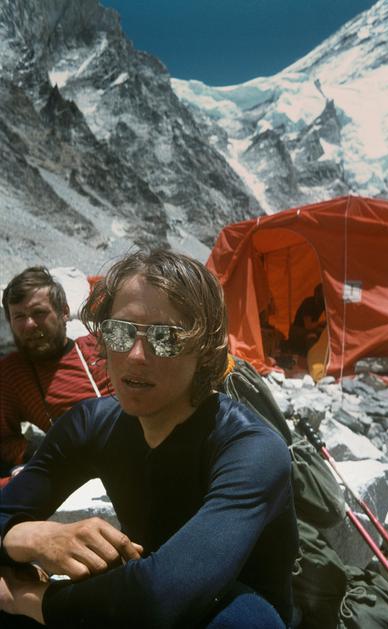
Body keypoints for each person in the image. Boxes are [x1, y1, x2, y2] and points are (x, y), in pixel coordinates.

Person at [0, 250, 298, 628]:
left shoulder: (250, 448)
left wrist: (28, 599)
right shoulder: (92, 423)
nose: (136, 355)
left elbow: (165, 593)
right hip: (145, 591)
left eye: (165, 338)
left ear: (205, 349)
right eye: (120, 332)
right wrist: (29, 536)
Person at [0, 266, 110, 477]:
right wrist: (35, 453)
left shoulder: (99, 348)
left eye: (39, 313)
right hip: (75, 473)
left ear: (64, 312)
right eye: (19, 316)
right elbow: (4, 440)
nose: (29, 325)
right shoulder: (12, 374)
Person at [288, 283, 326, 356]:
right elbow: (308, 326)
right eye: (323, 294)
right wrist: (320, 323)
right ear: (317, 294)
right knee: (312, 337)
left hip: (307, 330)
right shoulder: (308, 303)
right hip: (298, 331)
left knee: (323, 334)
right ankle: (314, 357)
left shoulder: (323, 304)